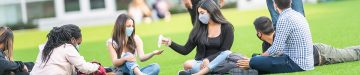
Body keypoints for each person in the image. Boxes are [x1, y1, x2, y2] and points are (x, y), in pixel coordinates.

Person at [238, 0, 314, 74]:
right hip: (307, 62)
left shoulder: (283, 19)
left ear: (274, 4)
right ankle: (255, 66)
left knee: (254, 60)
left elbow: (277, 49)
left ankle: (253, 66)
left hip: (296, 63)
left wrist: (258, 58)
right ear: (291, 2)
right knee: (256, 57)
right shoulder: (298, 15)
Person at [249, 16, 360, 67]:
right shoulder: (266, 45)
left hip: (322, 54)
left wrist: (257, 59)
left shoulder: (281, 36)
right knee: (346, 51)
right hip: (316, 54)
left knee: (352, 54)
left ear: (259, 33)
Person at [160, 0, 234, 74]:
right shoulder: (198, 28)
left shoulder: (227, 27)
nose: (200, 16)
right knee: (187, 64)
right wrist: (170, 43)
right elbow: (185, 50)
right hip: (200, 63)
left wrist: (208, 59)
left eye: (202, 13)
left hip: (219, 61)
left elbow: (225, 52)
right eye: (198, 13)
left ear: (211, 11)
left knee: (226, 62)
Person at [30, 24, 101, 75]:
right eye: (78, 43)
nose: (78, 46)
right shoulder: (67, 47)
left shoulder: (46, 46)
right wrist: (97, 66)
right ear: (73, 40)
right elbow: (84, 68)